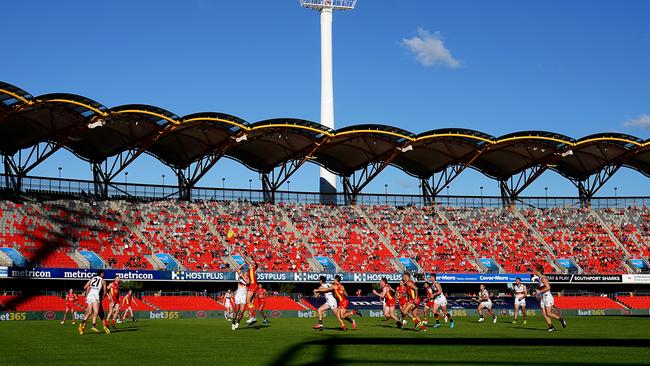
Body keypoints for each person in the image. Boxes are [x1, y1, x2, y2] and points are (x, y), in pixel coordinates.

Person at [533, 265, 567, 332]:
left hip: (547, 297)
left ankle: (560, 318)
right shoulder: (540, 278)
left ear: (538, 271)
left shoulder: (543, 278)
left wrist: (539, 291)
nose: (534, 271)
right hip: (543, 297)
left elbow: (548, 287)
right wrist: (537, 291)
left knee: (548, 313)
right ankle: (551, 327)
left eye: (535, 270)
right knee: (544, 313)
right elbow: (543, 287)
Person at [78, 270, 110, 335]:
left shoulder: (92, 278)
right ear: (101, 274)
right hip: (96, 296)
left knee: (89, 312)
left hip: (90, 295)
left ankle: (82, 323)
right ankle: (93, 326)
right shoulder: (103, 281)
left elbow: (85, 287)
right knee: (96, 312)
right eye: (103, 273)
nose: (103, 274)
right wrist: (104, 296)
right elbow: (105, 291)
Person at [232, 264, 249, 330]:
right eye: (245, 273)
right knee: (236, 310)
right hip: (238, 296)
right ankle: (233, 322)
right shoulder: (239, 278)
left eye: (247, 273)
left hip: (244, 296)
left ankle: (238, 322)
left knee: (242, 311)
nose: (246, 274)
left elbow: (247, 282)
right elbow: (238, 269)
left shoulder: (248, 279)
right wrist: (244, 264)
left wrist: (244, 277)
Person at [244, 257, 259, 326]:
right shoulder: (252, 269)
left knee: (248, 301)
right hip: (252, 285)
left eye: (253, 263)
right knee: (250, 302)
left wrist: (241, 253)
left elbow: (246, 260)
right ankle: (253, 317)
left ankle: (253, 317)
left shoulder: (252, 267)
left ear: (254, 265)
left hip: (253, 285)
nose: (251, 263)